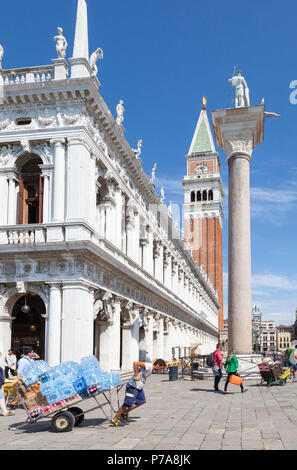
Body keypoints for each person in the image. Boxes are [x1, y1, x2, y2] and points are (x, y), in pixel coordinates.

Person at [110, 359, 166, 426]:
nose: (160, 370)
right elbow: (136, 363)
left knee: (141, 401)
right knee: (127, 404)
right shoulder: (149, 366)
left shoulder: (150, 368)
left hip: (139, 387)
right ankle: (115, 419)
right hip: (132, 387)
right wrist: (136, 375)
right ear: (158, 365)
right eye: (161, 368)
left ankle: (124, 412)